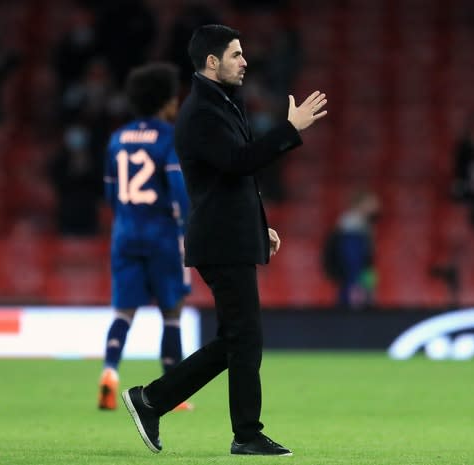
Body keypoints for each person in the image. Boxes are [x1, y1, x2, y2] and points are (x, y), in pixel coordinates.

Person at [121, 24, 327, 456]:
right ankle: (245, 433)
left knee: (235, 339)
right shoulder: (201, 112)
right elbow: (238, 162)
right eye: (236, 54)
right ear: (212, 62)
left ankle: (153, 400)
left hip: (228, 235)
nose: (245, 60)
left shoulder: (219, 104)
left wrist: (256, 225)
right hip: (219, 242)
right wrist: (290, 129)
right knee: (245, 338)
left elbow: (232, 178)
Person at [98, 63, 192, 411]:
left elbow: (109, 193)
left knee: (124, 312)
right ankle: (175, 392)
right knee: (172, 311)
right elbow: (179, 189)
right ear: (166, 102)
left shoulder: (117, 138)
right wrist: (186, 225)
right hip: (162, 234)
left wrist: (125, 217)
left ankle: (109, 372)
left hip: (124, 233)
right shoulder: (169, 137)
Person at [322, 190, 379, 309]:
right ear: (361, 203)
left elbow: (367, 260)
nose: (376, 205)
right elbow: (352, 260)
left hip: (363, 274)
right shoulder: (352, 226)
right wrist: (356, 286)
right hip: (354, 280)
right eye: (371, 201)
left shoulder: (364, 224)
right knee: (353, 308)